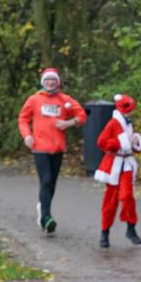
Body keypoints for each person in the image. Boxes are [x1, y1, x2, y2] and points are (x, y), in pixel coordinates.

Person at [17, 67, 86, 234]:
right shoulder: (34, 100)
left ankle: (43, 207)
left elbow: (82, 115)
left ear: (58, 82)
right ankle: (46, 217)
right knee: (46, 180)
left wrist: (68, 123)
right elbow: (23, 119)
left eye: (53, 80)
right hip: (39, 147)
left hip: (58, 148)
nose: (50, 82)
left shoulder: (65, 100)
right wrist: (27, 136)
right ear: (43, 82)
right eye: (47, 80)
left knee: (52, 183)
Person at [95, 94, 141, 247]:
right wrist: (123, 142)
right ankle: (105, 232)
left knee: (127, 195)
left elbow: (131, 144)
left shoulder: (128, 123)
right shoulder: (113, 123)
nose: (131, 112)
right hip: (114, 165)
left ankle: (131, 228)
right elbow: (101, 142)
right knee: (110, 201)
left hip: (127, 164)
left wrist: (135, 142)